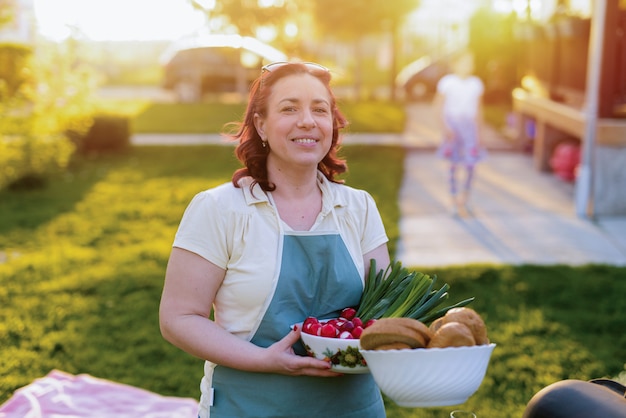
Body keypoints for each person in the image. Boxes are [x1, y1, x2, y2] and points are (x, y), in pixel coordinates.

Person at [159, 61, 391, 418]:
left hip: (354, 407)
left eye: (320, 109)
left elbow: (383, 309)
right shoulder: (220, 209)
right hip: (250, 406)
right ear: (261, 125)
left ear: (332, 124)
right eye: (289, 108)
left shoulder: (357, 206)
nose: (307, 121)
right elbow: (178, 317)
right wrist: (265, 360)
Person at [433, 50, 487, 216]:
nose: (468, 65)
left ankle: (466, 199)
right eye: (465, 62)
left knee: (471, 165)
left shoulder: (476, 84)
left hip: (469, 128)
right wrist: (445, 128)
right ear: (455, 64)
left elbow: (479, 109)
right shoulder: (447, 83)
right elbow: (437, 107)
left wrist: (479, 132)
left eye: (471, 62)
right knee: (453, 165)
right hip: (453, 128)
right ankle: (453, 201)